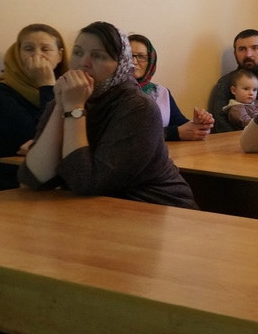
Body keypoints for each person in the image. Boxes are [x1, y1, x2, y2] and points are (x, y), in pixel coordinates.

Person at [17, 21, 197, 209]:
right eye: (77, 52)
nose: (83, 63)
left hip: (157, 208)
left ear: (120, 65)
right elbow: (34, 179)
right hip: (97, 211)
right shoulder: (71, 96)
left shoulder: (138, 106)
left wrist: (74, 107)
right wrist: (60, 102)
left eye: (98, 56)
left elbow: (85, 183)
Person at [0, 24, 68, 193]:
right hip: (5, 189)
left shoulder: (69, 89)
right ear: (18, 54)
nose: (37, 55)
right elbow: (43, 139)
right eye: (28, 49)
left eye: (45, 49)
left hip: (51, 185)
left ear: (60, 55)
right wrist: (47, 86)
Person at [129, 34, 214, 142]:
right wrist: (175, 133)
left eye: (141, 56)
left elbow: (180, 124)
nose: (134, 62)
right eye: (129, 56)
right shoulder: (113, 93)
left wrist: (199, 125)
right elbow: (127, 135)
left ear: (151, 61)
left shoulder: (161, 92)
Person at [208, 28, 258, 133]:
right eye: (242, 49)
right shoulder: (226, 83)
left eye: (255, 48)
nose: (248, 54)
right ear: (235, 55)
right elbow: (222, 127)